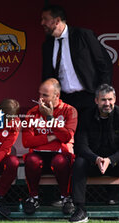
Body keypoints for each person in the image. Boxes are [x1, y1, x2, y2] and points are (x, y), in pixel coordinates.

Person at [70, 84, 119, 223]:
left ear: (115, 99)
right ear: (96, 101)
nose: (107, 103)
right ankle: (80, 210)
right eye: (103, 100)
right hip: (93, 163)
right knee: (79, 162)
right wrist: (96, 159)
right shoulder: (86, 116)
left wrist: (110, 160)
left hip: (115, 164)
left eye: (110, 99)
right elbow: (81, 146)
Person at [41, 4, 113, 116]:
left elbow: (104, 63)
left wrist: (102, 93)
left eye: (45, 19)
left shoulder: (83, 35)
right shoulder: (47, 45)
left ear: (57, 21)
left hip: (89, 97)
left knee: (89, 133)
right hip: (64, 101)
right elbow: (47, 75)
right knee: (68, 133)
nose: (42, 23)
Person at [22, 78, 77, 215]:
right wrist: (51, 137)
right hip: (38, 155)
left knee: (60, 161)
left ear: (56, 96)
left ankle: (66, 198)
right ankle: (33, 198)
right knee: (31, 160)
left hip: (60, 155)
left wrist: (49, 118)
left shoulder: (69, 111)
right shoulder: (32, 112)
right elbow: (27, 141)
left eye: (45, 95)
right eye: (40, 94)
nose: (40, 98)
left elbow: (66, 137)